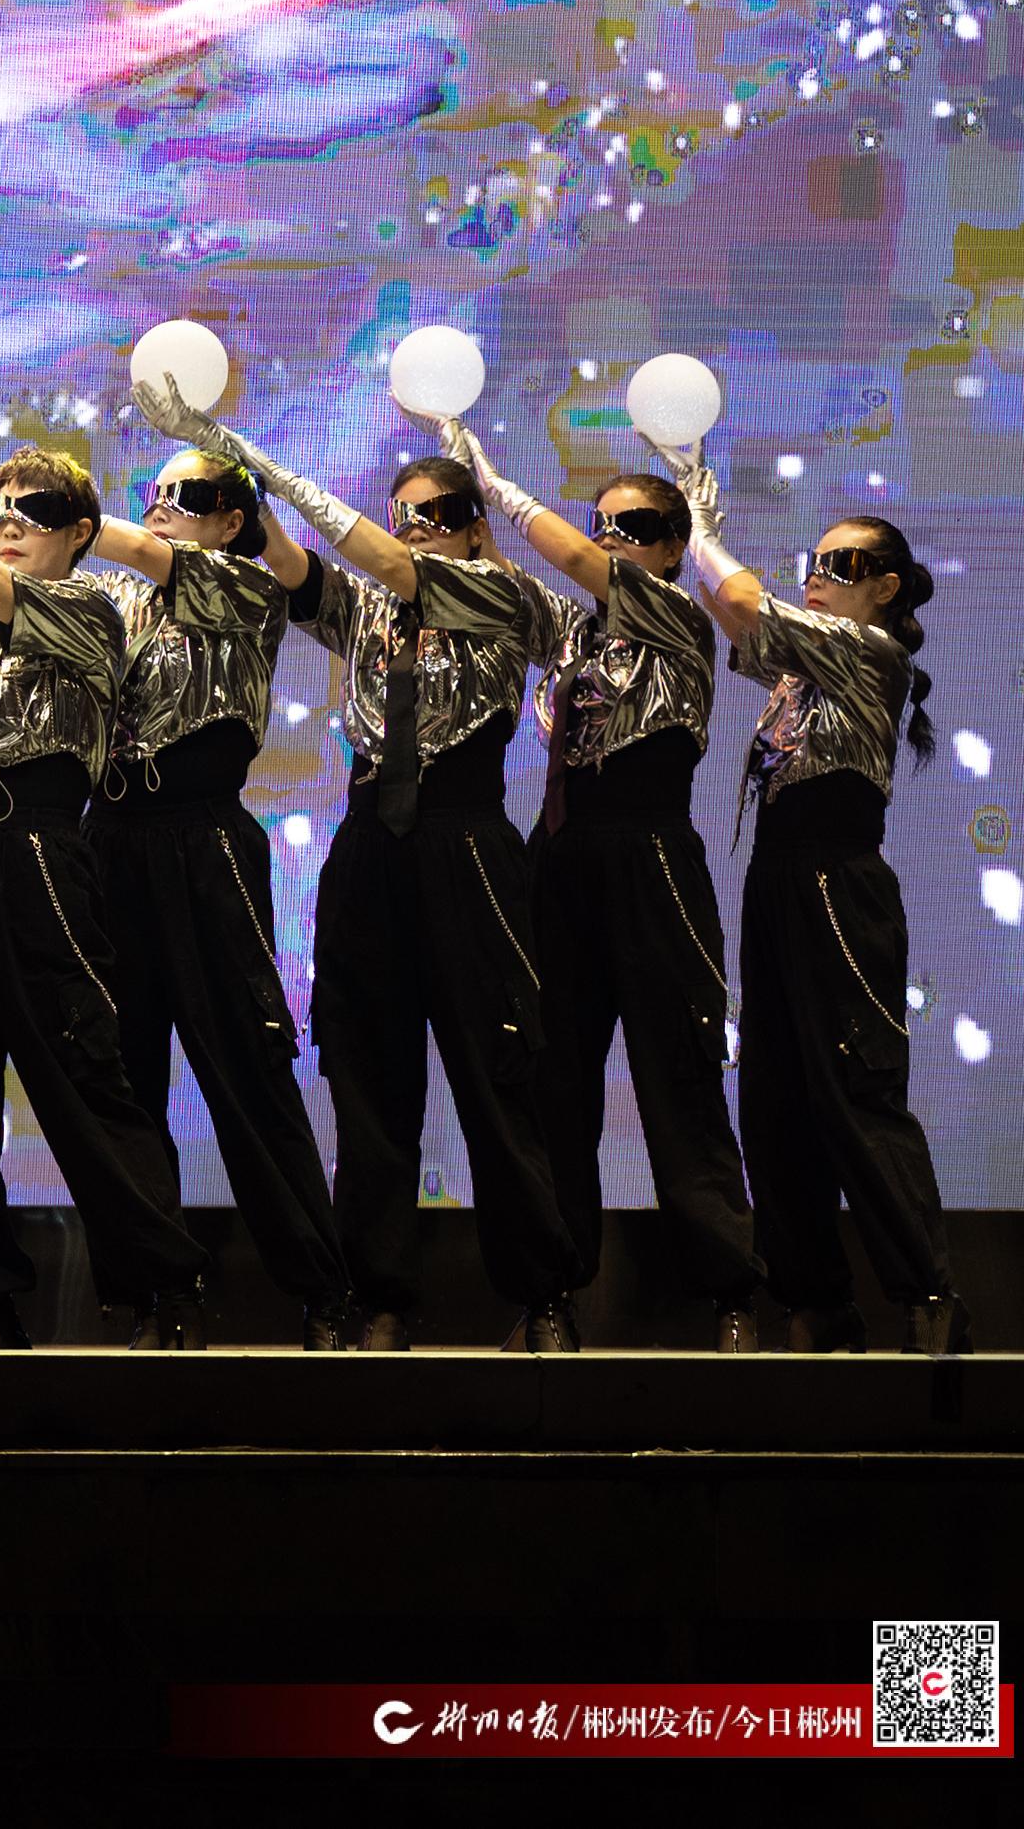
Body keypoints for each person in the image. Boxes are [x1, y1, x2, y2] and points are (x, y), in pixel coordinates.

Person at [143, 382, 582, 1351]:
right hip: (367, 841)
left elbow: (381, 560)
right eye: (404, 514)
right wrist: (235, 479)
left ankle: (541, 1294)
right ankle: (377, 1295)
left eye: (440, 513)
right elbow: (291, 562)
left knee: (494, 1074)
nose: (417, 529)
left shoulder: (504, 594)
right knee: (368, 1079)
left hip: (464, 836)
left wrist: (258, 454)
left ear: (476, 527)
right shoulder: (372, 604)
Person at [0, 436, 212, 1347]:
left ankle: (159, 1290)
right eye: (2, 509)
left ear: (82, 532)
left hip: (35, 848)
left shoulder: (90, 607)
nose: (14, 524)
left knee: (81, 1074)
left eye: (40, 511)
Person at [434, 423, 766, 1349]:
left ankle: (730, 1295)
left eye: (635, 528)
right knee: (552, 1086)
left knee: (678, 1077)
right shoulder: (576, 629)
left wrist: (495, 483)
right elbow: (507, 584)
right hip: (560, 859)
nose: (612, 540)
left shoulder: (677, 615)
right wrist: (468, 518)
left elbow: (569, 559)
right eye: (603, 525)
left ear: (673, 547)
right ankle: (549, 1294)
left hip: (649, 855)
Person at [651, 449, 970, 1356]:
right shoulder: (805, 667)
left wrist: (701, 526)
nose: (818, 576)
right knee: (775, 1101)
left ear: (886, 587)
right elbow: (731, 611)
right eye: (813, 563)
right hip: (779, 884)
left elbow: (745, 600)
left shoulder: (871, 654)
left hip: (838, 883)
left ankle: (930, 1295)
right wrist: (697, 508)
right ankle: (816, 1301)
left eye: (841, 564)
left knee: (855, 1088)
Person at [87, 443, 357, 1346]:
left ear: (233, 519)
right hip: (109, 838)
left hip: (201, 835)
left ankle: (322, 1290)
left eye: (188, 493)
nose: (162, 504)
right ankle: (160, 1294)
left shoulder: (243, 585)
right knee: (122, 1075)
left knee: (247, 1066)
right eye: (153, 490)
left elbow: (138, 549)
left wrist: (67, 512)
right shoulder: (115, 597)